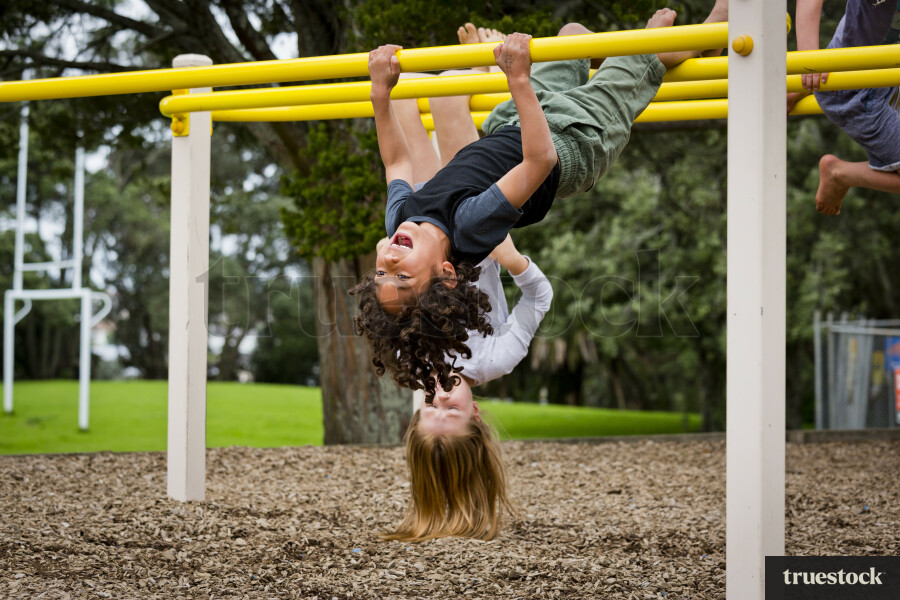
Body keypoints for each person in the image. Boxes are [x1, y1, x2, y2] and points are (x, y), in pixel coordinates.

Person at [352, 4, 728, 404]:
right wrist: (517, 79)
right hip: (575, 140)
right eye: (403, 279)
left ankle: (671, 56)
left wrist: (380, 94)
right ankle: (694, 38)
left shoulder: (400, 219)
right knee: (651, 40)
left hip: (514, 121)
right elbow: (540, 160)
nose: (389, 264)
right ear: (446, 275)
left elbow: (397, 160)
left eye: (379, 274)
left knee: (574, 33)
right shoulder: (470, 226)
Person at [786, 0, 900, 215]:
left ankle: (801, 89)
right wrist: (809, 60)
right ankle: (840, 173)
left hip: (888, 75)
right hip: (856, 92)